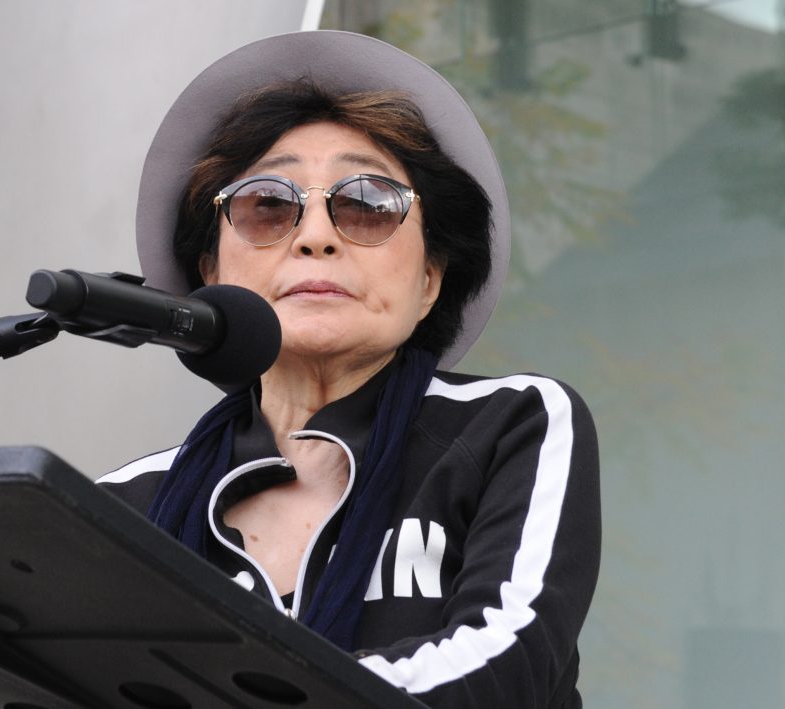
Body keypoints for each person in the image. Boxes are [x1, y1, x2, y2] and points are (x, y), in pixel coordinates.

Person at [98, 31, 600, 708]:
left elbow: (503, 664)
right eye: (267, 204)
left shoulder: (510, 425)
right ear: (210, 271)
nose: (315, 234)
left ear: (430, 278)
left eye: (367, 203)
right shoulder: (123, 504)